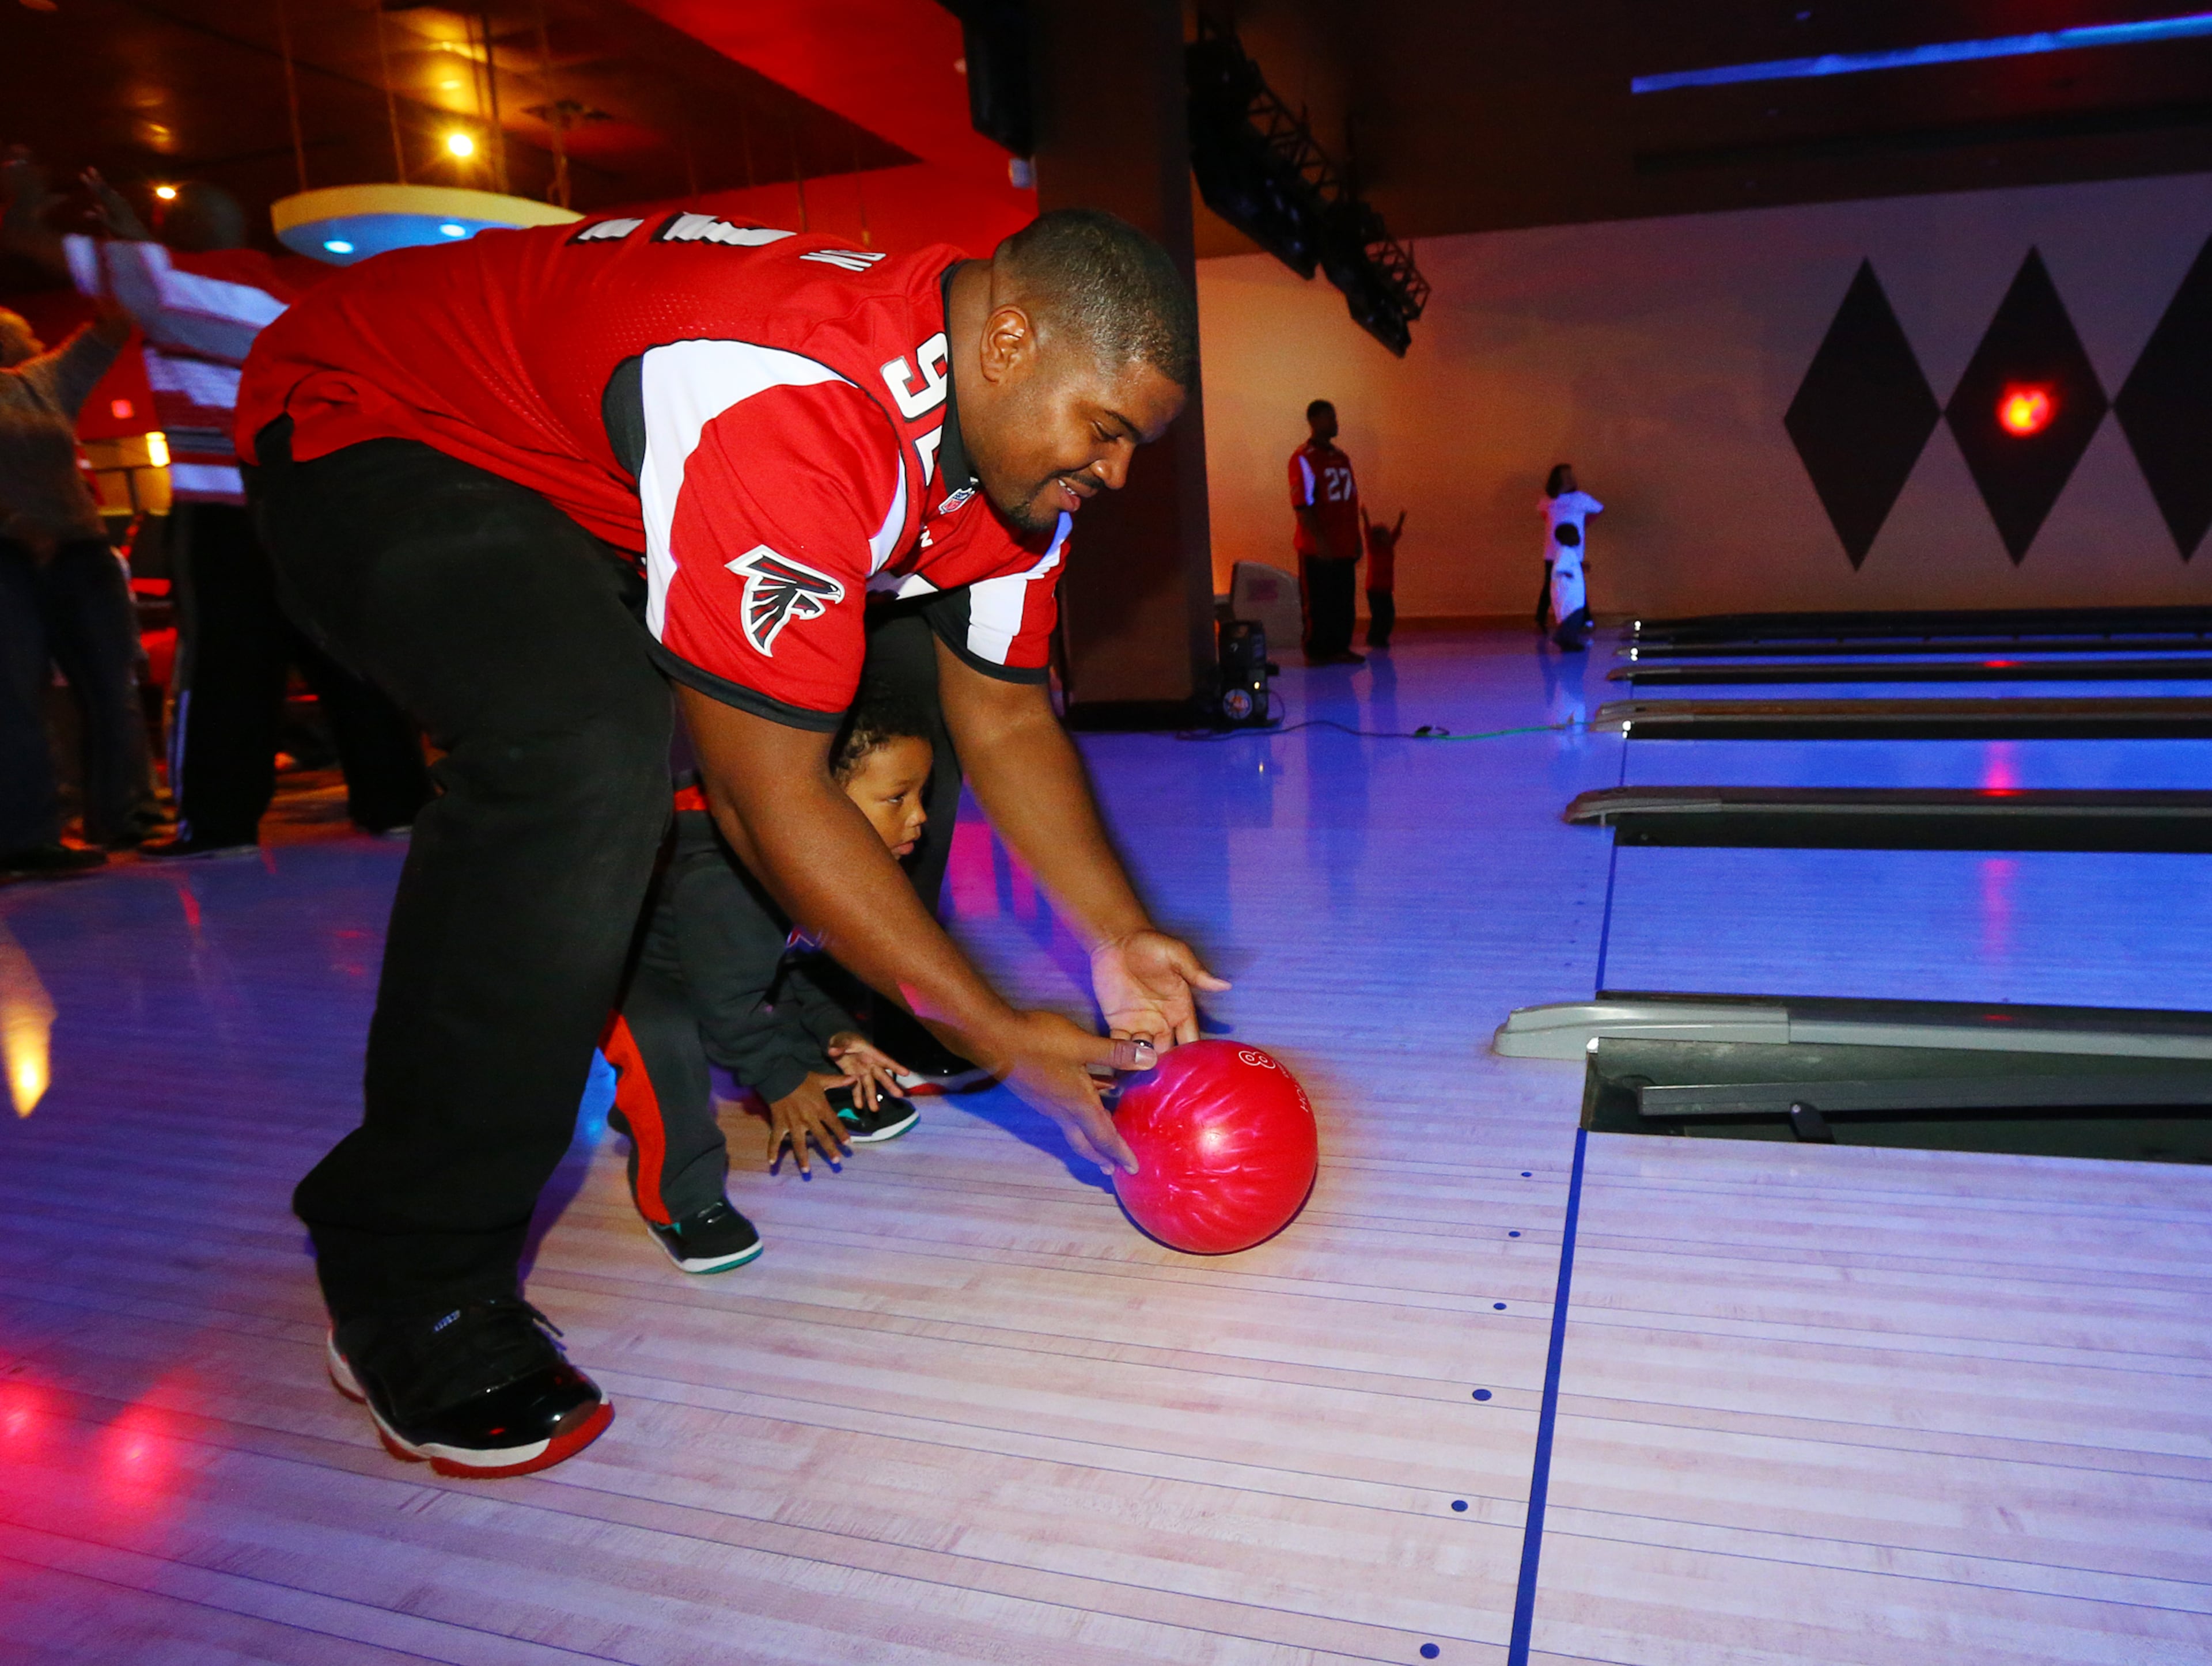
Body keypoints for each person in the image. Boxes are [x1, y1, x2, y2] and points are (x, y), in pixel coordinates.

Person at [230, 204, 1229, 1478]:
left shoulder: (1020, 470)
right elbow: (766, 798)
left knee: (894, 707)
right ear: (1010, 343)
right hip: (377, 411)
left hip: (577, 466)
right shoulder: (795, 404)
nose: (1120, 473)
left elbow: (1006, 714)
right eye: (1108, 430)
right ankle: (408, 1278)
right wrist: (994, 1025)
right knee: (581, 742)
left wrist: (1117, 932)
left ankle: (859, 1001)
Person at [16, 162, 433, 855]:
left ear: (168, 231)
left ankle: (218, 823)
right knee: (347, 659)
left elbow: (41, 247)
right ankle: (397, 803)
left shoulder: (169, 283)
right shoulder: (286, 299)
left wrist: (26, 211)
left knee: (224, 670)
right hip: (312, 508)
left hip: (224, 509)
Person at [600, 673, 940, 1276]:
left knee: (784, 987)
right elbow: (727, 1005)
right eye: (897, 798)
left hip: (724, 963)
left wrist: (839, 1035)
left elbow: (798, 962)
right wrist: (779, 1080)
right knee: (665, 1045)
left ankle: (827, 1088)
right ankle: (682, 1201)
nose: (919, 817)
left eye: (921, 795)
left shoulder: (823, 861)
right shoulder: (727, 884)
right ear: (824, 800)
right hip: (631, 972)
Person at [0, 297, 162, 876]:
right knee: (15, 693)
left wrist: (110, 271)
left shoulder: (43, 381)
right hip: (8, 554)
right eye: (24, 335)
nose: (35, 343)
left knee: (111, 685)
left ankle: (122, 814)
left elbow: (110, 329)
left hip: (79, 551)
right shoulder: (45, 380)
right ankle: (26, 837)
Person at [1288, 399, 1363, 665]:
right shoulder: (1304, 458)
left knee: (1343, 600)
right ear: (1314, 421)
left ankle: (1340, 647)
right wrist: (1320, 541)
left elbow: (1350, 501)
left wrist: (1356, 538)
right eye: (1329, 417)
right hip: (1317, 548)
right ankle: (1317, 650)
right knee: (1319, 602)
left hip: (1344, 544)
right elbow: (1303, 505)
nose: (1335, 422)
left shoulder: (1342, 458)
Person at [1537, 463, 1603, 651]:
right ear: (1557, 480)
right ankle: (1542, 618)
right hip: (1553, 551)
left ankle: (1585, 620)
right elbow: (1545, 516)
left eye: (1571, 476)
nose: (1571, 479)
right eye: (1566, 477)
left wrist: (1581, 527)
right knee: (1552, 587)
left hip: (1574, 552)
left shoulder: (1581, 499)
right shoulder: (1549, 501)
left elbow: (1598, 510)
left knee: (1576, 589)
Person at [1360, 506, 1404, 652]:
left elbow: (1396, 534)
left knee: (1388, 615)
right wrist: (1365, 516)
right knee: (1379, 616)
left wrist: (1401, 520)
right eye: (1385, 534)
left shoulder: (1389, 547)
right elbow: (1367, 533)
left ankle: (1381, 638)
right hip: (1374, 589)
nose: (1388, 536)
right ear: (1379, 538)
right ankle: (1374, 638)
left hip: (1385, 589)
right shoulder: (1374, 548)